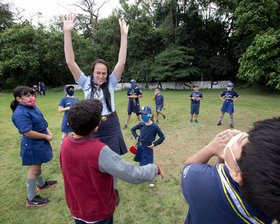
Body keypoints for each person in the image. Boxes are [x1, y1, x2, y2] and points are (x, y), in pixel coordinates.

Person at [60, 99, 164, 224]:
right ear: (97, 126)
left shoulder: (65, 144)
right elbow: (131, 174)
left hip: (76, 209)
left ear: (69, 123)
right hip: (99, 213)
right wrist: (154, 169)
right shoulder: (100, 151)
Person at [63, 13, 128, 205]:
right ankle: (99, 187)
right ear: (92, 73)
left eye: (104, 73)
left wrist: (123, 37)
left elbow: (121, 62)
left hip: (111, 124)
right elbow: (70, 62)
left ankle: (112, 190)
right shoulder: (85, 83)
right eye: (98, 73)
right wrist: (67, 33)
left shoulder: (111, 83)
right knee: (93, 158)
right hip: (92, 125)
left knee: (114, 160)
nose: (101, 76)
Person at [181, 118, 280, 224]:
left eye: (240, 141)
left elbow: (189, 167)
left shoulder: (202, 181)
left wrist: (211, 148)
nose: (241, 135)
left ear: (237, 174)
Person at [10, 86, 57, 207]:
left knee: (38, 164)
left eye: (32, 95)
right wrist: (46, 136)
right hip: (32, 144)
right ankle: (31, 198)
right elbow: (27, 132)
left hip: (39, 141)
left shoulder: (31, 107)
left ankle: (41, 184)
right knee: (34, 169)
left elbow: (41, 120)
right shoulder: (20, 113)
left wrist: (48, 131)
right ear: (19, 99)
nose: (31, 98)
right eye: (27, 96)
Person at [131, 106, 165, 188]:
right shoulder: (141, 124)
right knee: (140, 162)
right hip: (140, 147)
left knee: (149, 164)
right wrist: (136, 136)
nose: (143, 116)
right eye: (142, 115)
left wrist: (154, 144)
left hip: (148, 148)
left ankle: (151, 179)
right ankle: (139, 177)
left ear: (151, 114)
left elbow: (162, 137)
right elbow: (132, 129)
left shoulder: (154, 126)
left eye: (145, 114)